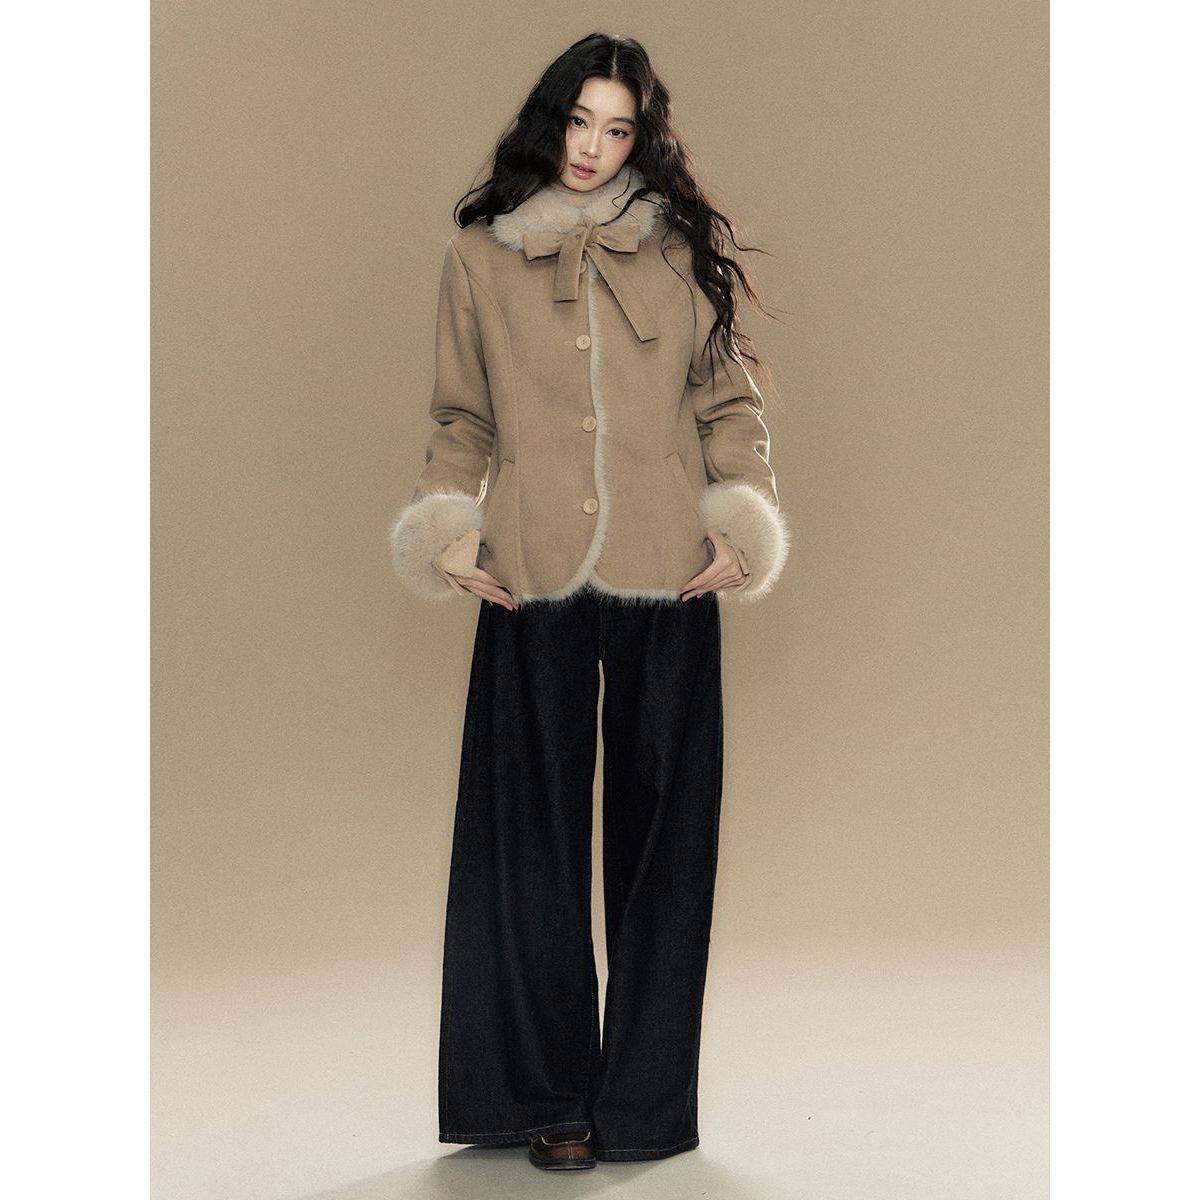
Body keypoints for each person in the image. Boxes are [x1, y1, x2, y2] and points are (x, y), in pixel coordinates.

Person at [389, 32, 791, 1171]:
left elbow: (728, 405)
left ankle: (646, 1104)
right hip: (528, 572)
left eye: (617, 129)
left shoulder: (678, 250)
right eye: (578, 122)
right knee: (527, 841)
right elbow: (460, 418)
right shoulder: (479, 259)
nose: (592, 147)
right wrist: (448, 529)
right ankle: (549, 1095)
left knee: (670, 843)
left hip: (670, 570)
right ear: (549, 120)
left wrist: (743, 521)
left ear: (639, 139)